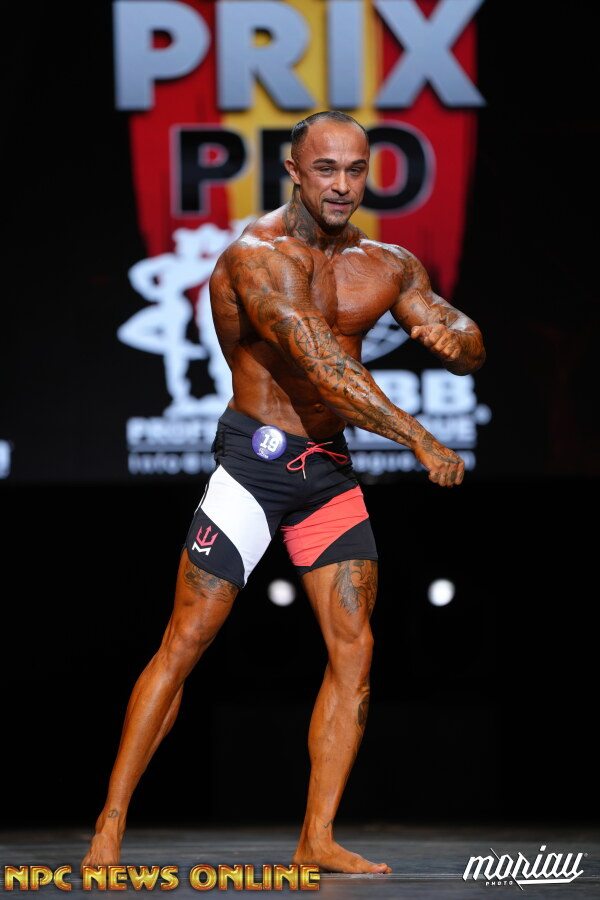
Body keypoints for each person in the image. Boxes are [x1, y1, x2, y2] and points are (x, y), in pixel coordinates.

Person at [82, 111, 485, 874]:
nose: (342, 185)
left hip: (327, 472)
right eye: (326, 169)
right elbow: (323, 369)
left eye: (356, 169)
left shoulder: (387, 262)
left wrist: (458, 339)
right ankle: (110, 821)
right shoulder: (258, 258)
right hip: (255, 468)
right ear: (294, 172)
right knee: (187, 642)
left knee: (355, 652)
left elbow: (460, 338)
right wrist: (419, 438)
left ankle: (317, 837)